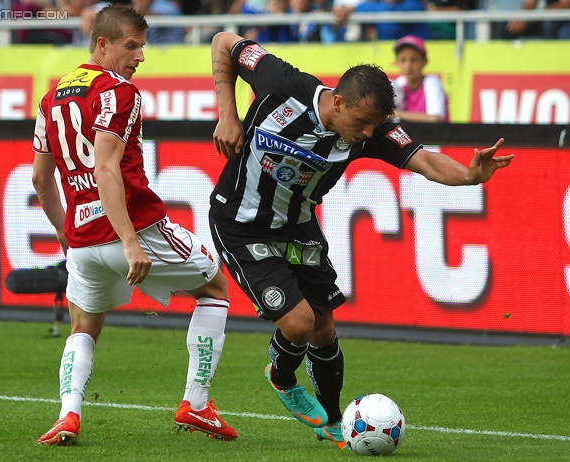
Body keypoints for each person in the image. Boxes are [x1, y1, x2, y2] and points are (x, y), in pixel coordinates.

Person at [209, 31, 513, 449]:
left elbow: (424, 159)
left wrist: (468, 175)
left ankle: (333, 421)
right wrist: (227, 112)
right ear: (338, 102)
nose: (368, 133)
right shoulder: (282, 81)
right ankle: (281, 378)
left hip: (298, 225)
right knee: (298, 323)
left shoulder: (376, 130)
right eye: (361, 122)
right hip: (239, 222)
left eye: (375, 125)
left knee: (325, 327)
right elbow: (224, 41)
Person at [32, 3, 237, 446]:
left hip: (83, 241)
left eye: (142, 46)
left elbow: (39, 178)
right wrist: (129, 242)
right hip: (136, 229)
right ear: (101, 44)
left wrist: (64, 231)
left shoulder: (51, 98)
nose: (140, 56)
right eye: (131, 45)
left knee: (84, 325)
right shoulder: (119, 91)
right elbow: (107, 168)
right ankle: (197, 404)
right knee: (215, 288)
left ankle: (68, 415)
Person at [391, 34, 449, 123]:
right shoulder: (399, 83)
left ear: (424, 61)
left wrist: (395, 114)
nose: (408, 65)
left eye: (414, 60)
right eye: (403, 60)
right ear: (397, 63)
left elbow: (435, 118)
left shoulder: (432, 81)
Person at [504, 0, 570, 40]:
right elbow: (529, 4)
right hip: (546, 16)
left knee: (550, 26)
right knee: (506, 26)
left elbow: (565, 5)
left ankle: (552, 57)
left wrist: (539, 16)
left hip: (565, 17)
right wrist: (521, 19)